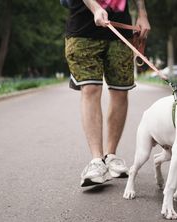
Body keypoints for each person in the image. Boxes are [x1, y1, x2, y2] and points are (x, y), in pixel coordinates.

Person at [64, 0, 150, 187]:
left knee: (120, 92)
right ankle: (96, 161)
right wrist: (95, 8)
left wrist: (142, 15)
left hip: (120, 31)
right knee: (91, 88)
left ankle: (110, 156)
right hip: (83, 30)